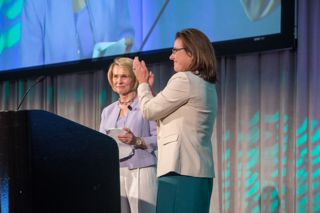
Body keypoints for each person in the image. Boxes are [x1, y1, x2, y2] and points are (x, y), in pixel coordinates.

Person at [133, 28, 218, 213]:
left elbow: (148, 111)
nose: (171, 57)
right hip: (196, 172)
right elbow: (164, 112)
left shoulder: (184, 80)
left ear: (192, 52)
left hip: (180, 171)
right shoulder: (204, 83)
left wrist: (142, 83)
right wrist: (150, 91)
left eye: (175, 50)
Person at [99, 57, 157, 213]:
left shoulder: (147, 104)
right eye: (115, 76)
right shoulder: (108, 111)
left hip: (141, 169)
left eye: (124, 76)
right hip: (115, 173)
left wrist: (136, 140)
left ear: (134, 79)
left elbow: (160, 137)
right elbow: (101, 143)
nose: (118, 81)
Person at [21, 0, 134, 68]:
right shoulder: (35, 3)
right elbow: (31, 66)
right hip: (59, 94)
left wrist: (124, 47)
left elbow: (128, 37)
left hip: (109, 86)